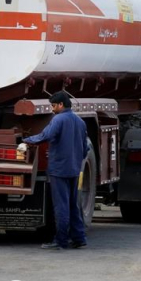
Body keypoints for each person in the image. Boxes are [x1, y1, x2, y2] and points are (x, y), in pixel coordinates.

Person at [23, 91, 88, 250]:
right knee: (73, 205)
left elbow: (46, 135)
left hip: (59, 170)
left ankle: (60, 241)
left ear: (61, 104)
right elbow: (85, 149)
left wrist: (27, 140)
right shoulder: (80, 122)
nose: (52, 109)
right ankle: (79, 238)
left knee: (61, 207)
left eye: (53, 105)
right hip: (74, 169)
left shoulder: (58, 119)